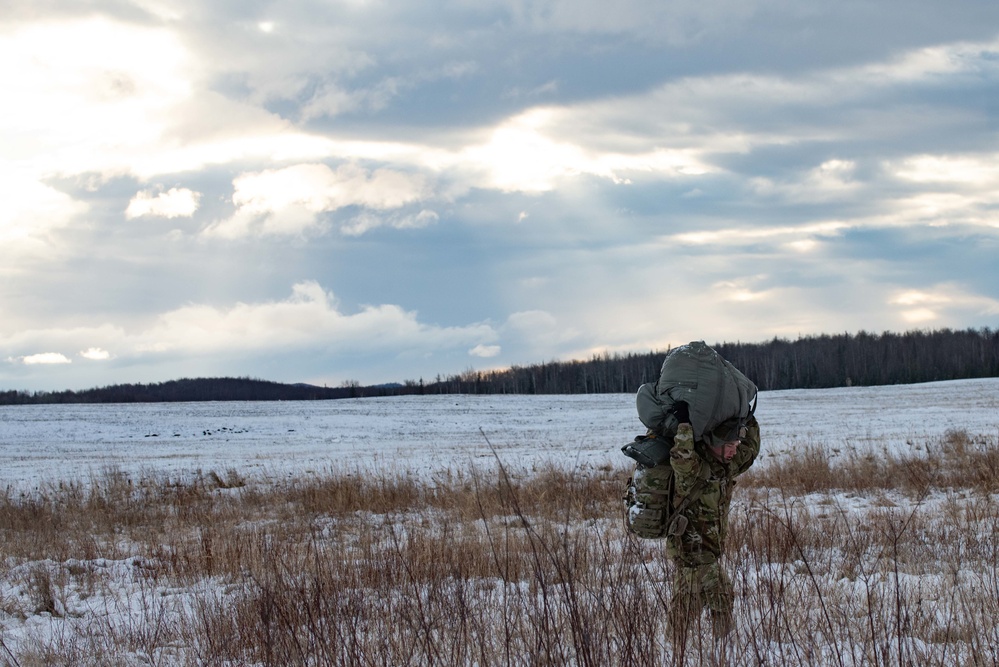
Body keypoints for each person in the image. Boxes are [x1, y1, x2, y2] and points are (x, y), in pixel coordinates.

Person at [662, 400, 760, 641]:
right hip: (690, 550)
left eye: (735, 445)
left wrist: (749, 417)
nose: (734, 450)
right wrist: (684, 423)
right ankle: (724, 646)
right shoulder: (694, 469)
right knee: (722, 594)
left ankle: (674, 649)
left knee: (687, 604)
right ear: (715, 443)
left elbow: (750, 450)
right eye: (729, 445)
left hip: (708, 551)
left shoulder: (724, 467)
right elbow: (682, 456)